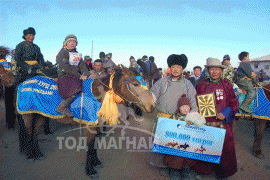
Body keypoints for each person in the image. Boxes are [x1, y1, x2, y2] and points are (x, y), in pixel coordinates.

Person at [150, 54, 198, 168]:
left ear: (182, 69)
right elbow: (152, 95)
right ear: (170, 68)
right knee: (162, 143)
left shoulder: (187, 84)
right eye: (173, 67)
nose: (176, 69)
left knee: (178, 146)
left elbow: (193, 100)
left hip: (179, 120)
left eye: (179, 67)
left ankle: (179, 167)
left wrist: (192, 117)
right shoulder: (162, 81)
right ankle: (164, 165)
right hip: (163, 119)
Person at [193, 58, 239, 179]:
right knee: (205, 147)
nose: (214, 72)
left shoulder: (227, 84)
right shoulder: (201, 84)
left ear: (221, 71)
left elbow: (234, 102)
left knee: (225, 148)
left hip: (222, 123)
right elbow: (196, 102)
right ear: (208, 70)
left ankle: (223, 173)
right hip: (206, 123)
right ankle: (204, 170)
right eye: (212, 69)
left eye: (217, 69)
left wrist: (225, 112)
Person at [164, 94, 205, 176]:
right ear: (179, 108)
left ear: (190, 107)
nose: (185, 109)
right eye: (182, 107)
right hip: (176, 144)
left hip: (189, 144)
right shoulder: (174, 117)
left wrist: (195, 123)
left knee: (188, 160)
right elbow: (167, 128)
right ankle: (174, 171)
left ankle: (186, 171)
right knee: (175, 159)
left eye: (187, 107)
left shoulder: (193, 117)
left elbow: (202, 123)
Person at [56, 34, 90, 117]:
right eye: (70, 41)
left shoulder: (77, 54)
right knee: (76, 87)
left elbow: (82, 66)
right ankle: (62, 107)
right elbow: (65, 67)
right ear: (66, 43)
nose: (72, 43)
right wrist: (79, 76)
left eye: (74, 42)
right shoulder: (63, 52)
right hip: (65, 75)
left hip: (76, 76)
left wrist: (85, 74)